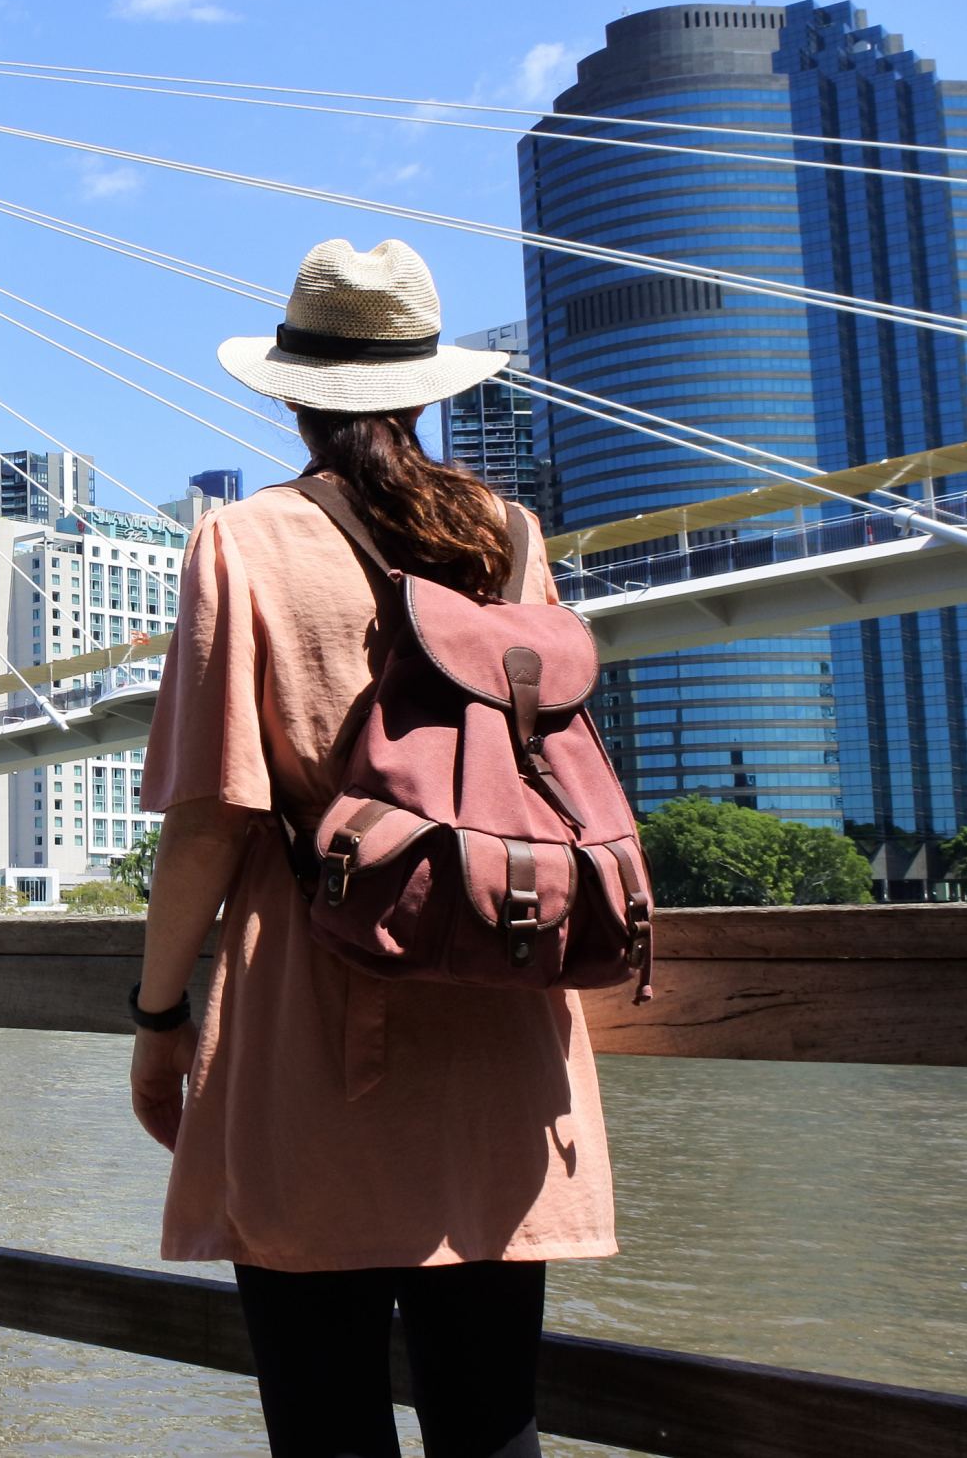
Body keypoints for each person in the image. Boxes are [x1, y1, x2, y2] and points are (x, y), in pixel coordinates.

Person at [129, 238, 616, 1458]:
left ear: (290, 389)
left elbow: (210, 817)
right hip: (504, 999)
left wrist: (156, 1015)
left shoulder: (242, 541)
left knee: (326, 1417)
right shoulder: (509, 537)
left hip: (317, 1005)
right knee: (490, 1414)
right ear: (425, 386)